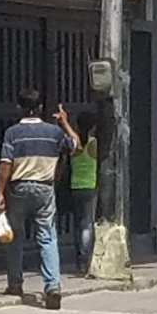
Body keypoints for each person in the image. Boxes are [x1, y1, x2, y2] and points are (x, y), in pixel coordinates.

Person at [0, 87, 68, 308]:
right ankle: (53, 286)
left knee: (15, 237)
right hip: (45, 189)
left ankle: (15, 283)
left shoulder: (12, 133)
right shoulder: (54, 133)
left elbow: (5, 165)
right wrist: (64, 122)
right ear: (39, 108)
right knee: (47, 237)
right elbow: (75, 144)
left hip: (19, 188)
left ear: (19, 108)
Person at [65, 108, 99, 272]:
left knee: (77, 225)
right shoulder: (93, 143)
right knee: (87, 225)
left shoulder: (74, 144)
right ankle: (86, 260)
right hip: (90, 187)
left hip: (74, 186)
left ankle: (78, 259)